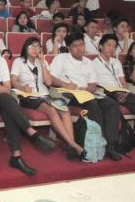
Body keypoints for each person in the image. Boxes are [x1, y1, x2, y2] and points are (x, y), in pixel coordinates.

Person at [0, 27, 55, 176]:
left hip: (1, 100)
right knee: (6, 99)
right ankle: (31, 132)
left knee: (8, 107)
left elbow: (8, 88)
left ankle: (16, 156)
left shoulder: (1, 61)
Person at [49, 32, 122, 161]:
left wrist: (85, 89)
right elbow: (51, 78)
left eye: (81, 44)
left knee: (111, 103)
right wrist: (65, 84)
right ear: (69, 47)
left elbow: (93, 85)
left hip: (87, 93)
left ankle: (111, 145)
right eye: (75, 46)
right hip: (68, 95)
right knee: (92, 104)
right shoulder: (61, 58)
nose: (79, 48)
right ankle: (100, 142)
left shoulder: (89, 62)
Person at [11, 37, 86, 160]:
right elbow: (13, 81)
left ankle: (71, 145)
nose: (35, 49)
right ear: (25, 48)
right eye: (32, 46)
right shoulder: (18, 61)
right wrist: (22, 87)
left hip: (45, 95)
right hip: (29, 97)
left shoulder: (42, 62)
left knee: (64, 109)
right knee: (51, 110)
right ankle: (73, 145)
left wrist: (43, 64)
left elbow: (48, 81)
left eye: (38, 47)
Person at [94, 34, 135, 115]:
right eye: (109, 45)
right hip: (107, 94)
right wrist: (116, 94)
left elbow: (123, 82)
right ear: (101, 46)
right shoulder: (93, 64)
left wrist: (125, 92)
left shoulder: (116, 62)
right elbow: (96, 86)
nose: (112, 48)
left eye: (114, 46)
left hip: (122, 93)